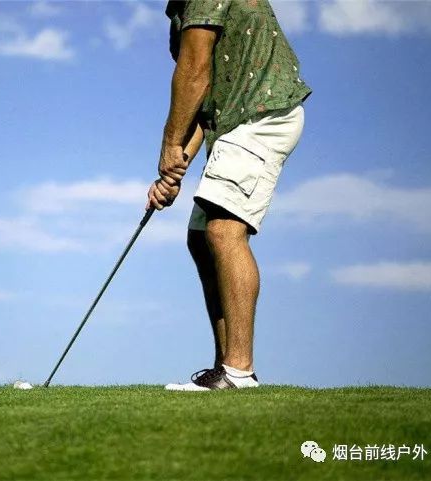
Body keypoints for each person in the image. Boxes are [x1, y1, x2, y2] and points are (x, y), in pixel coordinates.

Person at [146, 0, 312, 391]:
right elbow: (203, 102)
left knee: (223, 231)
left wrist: (170, 146)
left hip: (262, 115)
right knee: (201, 237)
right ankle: (224, 369)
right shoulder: (180, 12)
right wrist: (174, 170)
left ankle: (239, 371)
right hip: (237, 121)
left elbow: (194, 73)